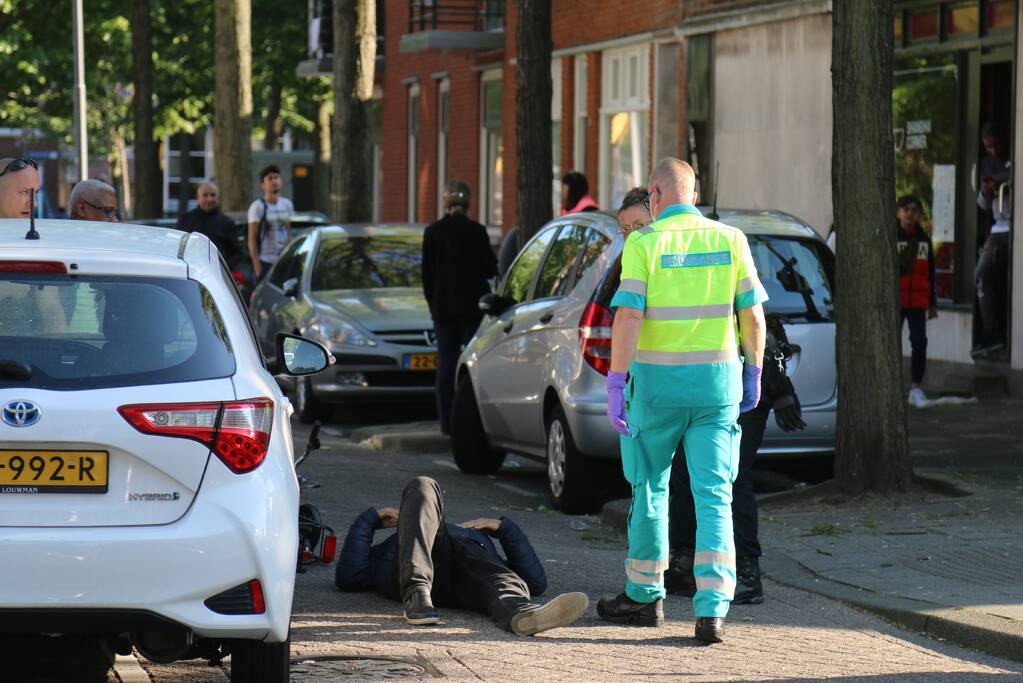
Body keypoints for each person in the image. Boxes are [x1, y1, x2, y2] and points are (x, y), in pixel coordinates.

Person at [599, 158, 767, 644]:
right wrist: (752, 372)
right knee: (715, 495)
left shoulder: (644, 243)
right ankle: (712, 611)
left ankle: (644, 597)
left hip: (657, 388)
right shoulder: (731, 239)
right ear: (695, 193)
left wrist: (616, 381)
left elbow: (628, 319)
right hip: (718, 388)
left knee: (650, 489)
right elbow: (752, 316)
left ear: (654, 196)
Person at [665, 316, 805, 605]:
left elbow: (755, 317)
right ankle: (684, 563)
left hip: (740, 385)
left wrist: (777, 384)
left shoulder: (727, 270)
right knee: (683, 470)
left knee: (732, 474)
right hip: (702, 384)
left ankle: (746, 573)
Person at [335, 476, 589, 636]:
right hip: (416, 567)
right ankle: (417, 595)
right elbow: (349, 576)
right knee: (423, 484)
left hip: (470, 573)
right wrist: (372, 518)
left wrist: (504, 528)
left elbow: (535, 582)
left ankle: (522, 614)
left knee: (501, 578)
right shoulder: (398, 543)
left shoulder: (473, 542)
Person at [421, 181, 498, 435]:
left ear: (445, 202)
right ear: (468, 203)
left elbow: (427, 276)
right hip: (471, 309)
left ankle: (446, 422)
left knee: (446, 364)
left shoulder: (433, 232)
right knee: (474, 363)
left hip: (443, 310)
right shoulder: (477, 231)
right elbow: (490, 269)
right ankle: (472, 420)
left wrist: (434, 304)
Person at [0, 158, 65, 334]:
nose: (33, 204)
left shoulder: (35, 245)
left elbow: (52, 313)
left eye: (35, 193)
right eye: (24, 193)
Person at [973, 122, 1012, 357]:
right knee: (982, 274)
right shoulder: (986, 163)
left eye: (996, 145)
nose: (993, 151)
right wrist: (985, 192)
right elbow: (983, 205)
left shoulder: (1011, 158)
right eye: (988, 147)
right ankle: (992, 333)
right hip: (999, 228)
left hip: (1012, 226)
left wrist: (1000, 182)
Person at [896, 195, 937, 408]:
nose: (910, 214)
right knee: (891, 343)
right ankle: (891, 386)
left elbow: (931, 272)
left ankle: (915, 387)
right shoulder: (892, 237)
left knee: (919, 341)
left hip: (918, 301)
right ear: (898, 213)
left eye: (914, 210)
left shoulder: (924, 240)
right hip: (896, 300)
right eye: (906, 209)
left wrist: (933, 303)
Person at [247, 164, 293, 283]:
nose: (274, 181)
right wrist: (257, 266)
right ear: (263, 185)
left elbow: (289, 232)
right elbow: (251, 238)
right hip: (265, 262)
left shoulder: (287, 204)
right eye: (270, 178)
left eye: (276, 177)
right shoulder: (257, 207)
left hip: (283, 260)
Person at [177, 182, 240, 261]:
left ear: (218, 198)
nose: (209, 199)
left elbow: (235, 253)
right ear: (198, 198)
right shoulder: (185, 220)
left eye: (213, 195)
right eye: (205, 195)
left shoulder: (227, 222)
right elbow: (177, 246)